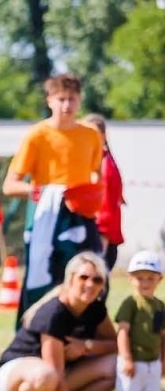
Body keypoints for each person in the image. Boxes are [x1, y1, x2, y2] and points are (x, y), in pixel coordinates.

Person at [3, 74, 105, 316]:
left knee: (87, 275)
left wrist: (93, 200)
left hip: (80, 217)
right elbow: (10, 185)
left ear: (79, 100)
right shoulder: (37, 135)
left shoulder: (90, 135)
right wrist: (42, 192)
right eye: (61, 99)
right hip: (46, 217)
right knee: (42, 278)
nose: (66, 105)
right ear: (50, 100)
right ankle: (34, 331)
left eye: (72, 99)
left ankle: (81, 334)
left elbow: (97, 175)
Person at [0, 250, 117, 391]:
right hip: (16, 372)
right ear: (70, 279)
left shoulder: (95, 308)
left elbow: (116, 344)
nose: (90, 284)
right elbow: (55, 371)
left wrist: (86, 346)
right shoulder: (53, 313)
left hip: (55, 374)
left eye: (97, 280)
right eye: (84, 277)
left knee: (117, 366)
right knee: (47, 375)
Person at [114, 249, 164, 391]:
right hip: (133, 363)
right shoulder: (130, 304)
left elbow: (161, 335)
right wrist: (126, 358)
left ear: (159, 279)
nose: (145, 282)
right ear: (131, 279)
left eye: (150, 278)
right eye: (140, 278)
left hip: (153, 363)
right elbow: (123, 331)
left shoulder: (159, 306)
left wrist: (162, 360)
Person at [80, 113, 126, 275]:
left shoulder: (103, 166)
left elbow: (104, 210)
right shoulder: (101, 161)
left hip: (100, 240)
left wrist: (100, 248)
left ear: (102, 136)